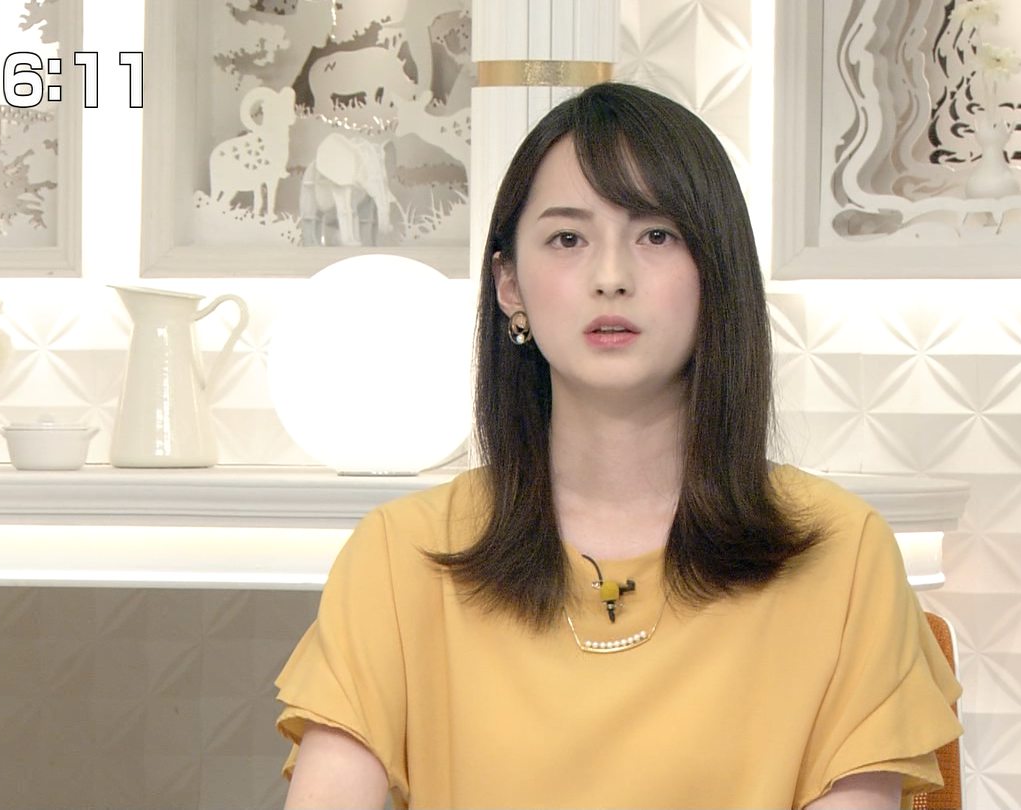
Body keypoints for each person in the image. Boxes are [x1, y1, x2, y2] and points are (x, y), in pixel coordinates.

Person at [274, 82, 962, 809]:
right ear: (509, 285)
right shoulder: (399, 558)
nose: (611, 277)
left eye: (657, 235)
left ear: (717, 273)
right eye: (568, 239)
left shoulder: (843, 555)